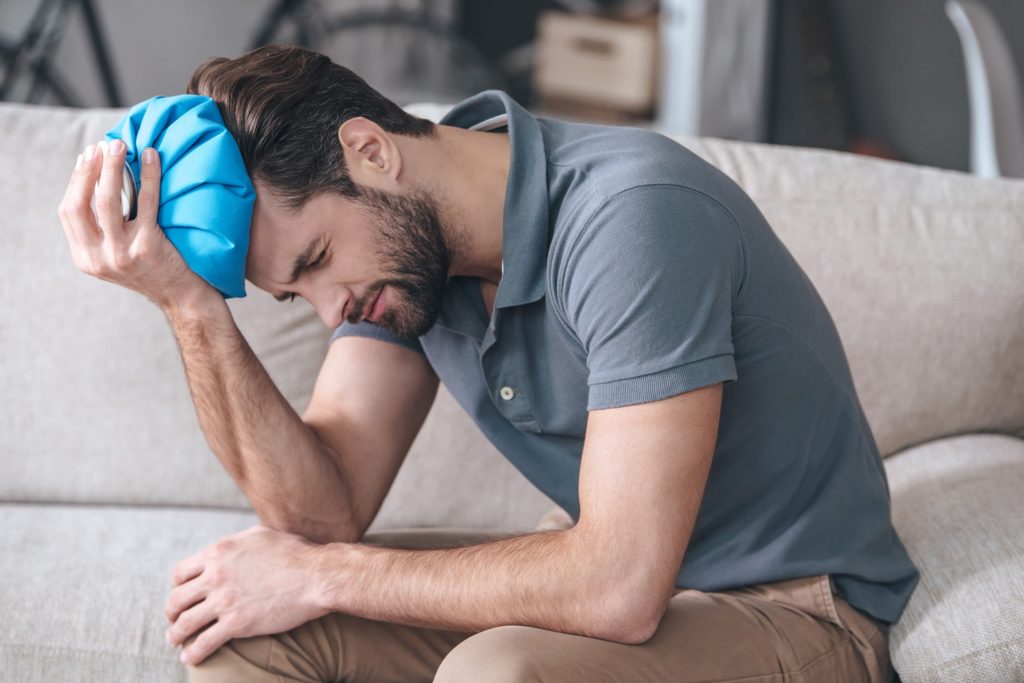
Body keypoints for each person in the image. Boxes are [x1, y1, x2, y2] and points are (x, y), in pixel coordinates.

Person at [57, 43, 918, 683]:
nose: (330, 311)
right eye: (294, 294)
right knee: (241, 632)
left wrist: (324, 574)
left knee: (495, 674)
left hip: (793, 604)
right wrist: (189, 306)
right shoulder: (415, 266)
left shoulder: (632, 219)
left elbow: (618, 586)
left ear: (371, 150)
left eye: (316, 259)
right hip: (628, 594)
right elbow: (320, 519)